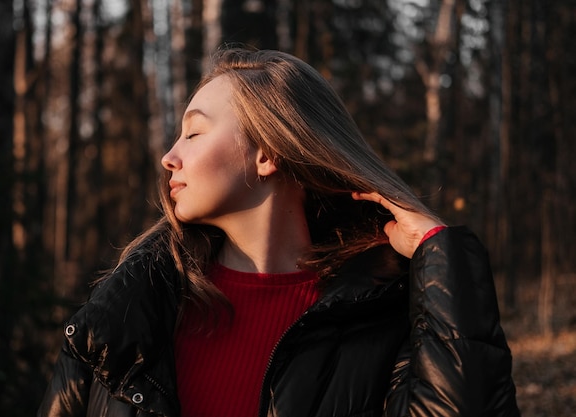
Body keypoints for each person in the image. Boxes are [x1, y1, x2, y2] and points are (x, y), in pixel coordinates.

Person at [37, 48, 520, 417]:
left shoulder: (382, 319)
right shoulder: (121, 316)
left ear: (267, 154)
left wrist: (439, 253)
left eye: (194, 132)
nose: (170, 156)